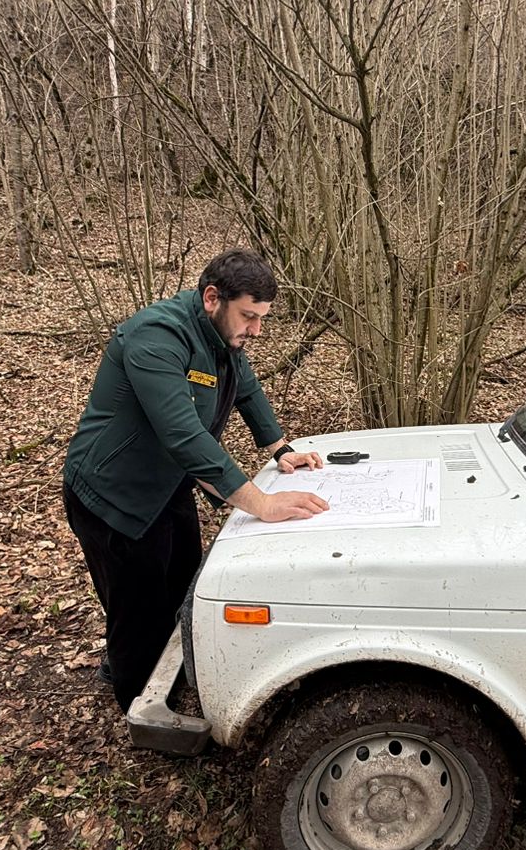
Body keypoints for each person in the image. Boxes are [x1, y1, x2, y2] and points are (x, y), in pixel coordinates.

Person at [62, 249, 328, 712]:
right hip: (113, 495)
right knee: (139, 611)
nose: (255, 330)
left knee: (187, 585)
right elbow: (182, 433)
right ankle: (141, 710)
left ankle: (171, 673)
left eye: (261, 318)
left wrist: (281, 449)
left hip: (167, 486)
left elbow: (246, 389)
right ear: (212, 298)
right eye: (249, 317)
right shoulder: (155, 337)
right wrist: (260, 503)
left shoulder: (221, 338)